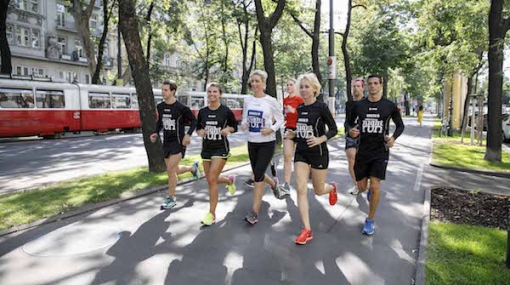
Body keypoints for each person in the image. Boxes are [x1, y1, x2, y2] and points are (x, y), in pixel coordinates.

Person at [347, 74, 405, 235]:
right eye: (370, 84)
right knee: (361, 187)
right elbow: (348, 122)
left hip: (380, 151)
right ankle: (371, 195)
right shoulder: (359, 106)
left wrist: (393, 138)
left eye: (375, 83)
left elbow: (400, 126)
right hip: (362, 151)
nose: (372, 86)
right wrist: (350, 130)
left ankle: (370, 220)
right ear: (367, 86)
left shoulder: (389, 106)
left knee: (375, 185)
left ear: (380, 85)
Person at [284, 73, 338, 245]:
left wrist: (320, 139)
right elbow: (302, 131)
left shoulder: (321, 107)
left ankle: (331, 188)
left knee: (318, 190)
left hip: (319, 153)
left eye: (307, 86)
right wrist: (293, 133)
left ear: (315, 89)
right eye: (302, 86)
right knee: (300, 189)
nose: (304, 89)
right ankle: (306, 229)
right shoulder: (300, 108)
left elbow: (334, 129)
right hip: (301, 153)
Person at [241, 70, 285, 225]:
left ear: (264, 83)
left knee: (258, 174)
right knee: (258, 172)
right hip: (252, 142)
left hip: (267, 142)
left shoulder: (271, 101)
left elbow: (281, 119)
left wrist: (271, 129)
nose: (254, 84)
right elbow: (245, 117)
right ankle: (274, 184)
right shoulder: (247, 100)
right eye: (252, 81)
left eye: (257, 81)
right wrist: (244, 124)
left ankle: (254, 213)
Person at [150, 80, 201, 210]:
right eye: (162, 90)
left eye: (165, 90)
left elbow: (194, 121)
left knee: (170, 170)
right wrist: (155, 132)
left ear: (173, 91)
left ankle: (171, 199)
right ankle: (193, 169)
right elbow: (160, 122)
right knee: (175, 170)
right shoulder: (160, 107)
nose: (163, 92)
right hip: (166, 142)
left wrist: (188, 134)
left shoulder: (181, 108)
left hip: (178, 142)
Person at [196, 82, 238, 225]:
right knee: (210, 179)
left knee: (212, 179)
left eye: (215, 92)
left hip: (220, 148)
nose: (212, 94)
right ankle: (228, 180)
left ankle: (212, 214)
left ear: (220, 94)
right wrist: (199, 132)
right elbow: (198, 128)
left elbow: (235, 127)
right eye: (209, 92)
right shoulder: (202, 112)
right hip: (206, 149)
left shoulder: (226, 111)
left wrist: (228, 130)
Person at [280, 78, 304, 195]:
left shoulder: (300, 99)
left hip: (299, 130)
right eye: (287, 85)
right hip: (288, 128)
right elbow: (286, 115)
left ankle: (307, 173)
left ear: (295, 86)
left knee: (303, 157)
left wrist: (294, 111)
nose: (288, 87)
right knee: (287, 156)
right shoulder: (285, 100)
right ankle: (286, 184)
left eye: (291, 85)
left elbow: (303, 114)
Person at [345, 78, 365, 195]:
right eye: (354, 86)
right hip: (351, 136)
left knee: (363, 162)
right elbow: (346, 122)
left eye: (358, 86)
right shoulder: (349, 104)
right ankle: (356, 184)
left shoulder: (368, 102)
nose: (356, 88)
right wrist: (349, 130)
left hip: (365, 136)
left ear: (363, 88)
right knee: (351, 160)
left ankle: (365, 181)